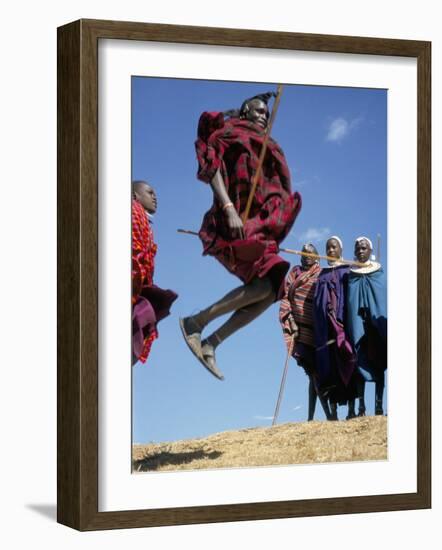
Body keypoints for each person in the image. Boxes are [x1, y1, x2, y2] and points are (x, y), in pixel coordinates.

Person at [180, 92, 302, 380]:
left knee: (271, 290)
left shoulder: (268, 145)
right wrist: (228, 206)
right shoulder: (230, 133)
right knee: (269, 282)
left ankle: (209, 340)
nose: (263, 116)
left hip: (258, 226)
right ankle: (196, 323)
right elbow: (211, 168)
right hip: (232, 220)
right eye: (258, 111)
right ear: (245, 110)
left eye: (266, 114)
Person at [279, 243, 333, 421]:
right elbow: (286, 298)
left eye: (310, 253)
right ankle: (329, 416)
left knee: (314, 376)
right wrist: (291, 321)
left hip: (318, 330)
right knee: (312, 373)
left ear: (317, 257)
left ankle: (311, 417)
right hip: (300, 332)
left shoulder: (321, 274)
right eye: (303, 252)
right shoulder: (294, 273)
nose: (306, 255)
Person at [132, 180, 178, 366]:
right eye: (149, 192)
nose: (155, 197)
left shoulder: (143, 220)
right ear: (135, 196)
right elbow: (134, 251)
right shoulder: (133, 211)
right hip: (133, 284)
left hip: (138, 285)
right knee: (144, 318)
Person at [313, 236, 358, 419]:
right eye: (328, 248)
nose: (330, 250)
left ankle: (352, 409)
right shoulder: (322, 274)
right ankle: (333, 412)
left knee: (349, 361)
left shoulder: (348, 270)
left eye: (334, 247)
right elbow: (317, 301)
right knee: (329, 367)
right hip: (326, 329)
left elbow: (352, 297)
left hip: (345, 325)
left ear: (341, 249)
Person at [346, 237, 387, 415]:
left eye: (364, 248)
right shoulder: (351, 274)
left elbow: (382, 298)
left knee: (379, 364)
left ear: (370, 250)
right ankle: (361, 406)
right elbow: (350, 300)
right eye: (357, 249)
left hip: (375, 328)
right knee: (359, 364)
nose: (360, 251)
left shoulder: (378, 272)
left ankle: (378, 405)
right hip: (359, 327)